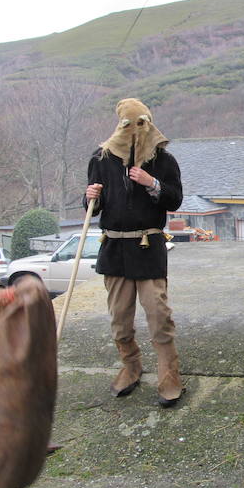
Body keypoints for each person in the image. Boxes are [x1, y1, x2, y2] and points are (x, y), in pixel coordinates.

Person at [84, 98, 185, 408]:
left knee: (158, 314)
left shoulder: (163, 160)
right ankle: (131, 366)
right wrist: (89, 196)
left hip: (148, 246)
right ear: (119, 124)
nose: (135, 130)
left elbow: (175, 200)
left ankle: (169, 374)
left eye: (141, 123)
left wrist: (152, 183)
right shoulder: (101, 159)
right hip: (114, 248)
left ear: (149, 122)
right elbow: (93, 205)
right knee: (119, 318)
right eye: (128, 124)